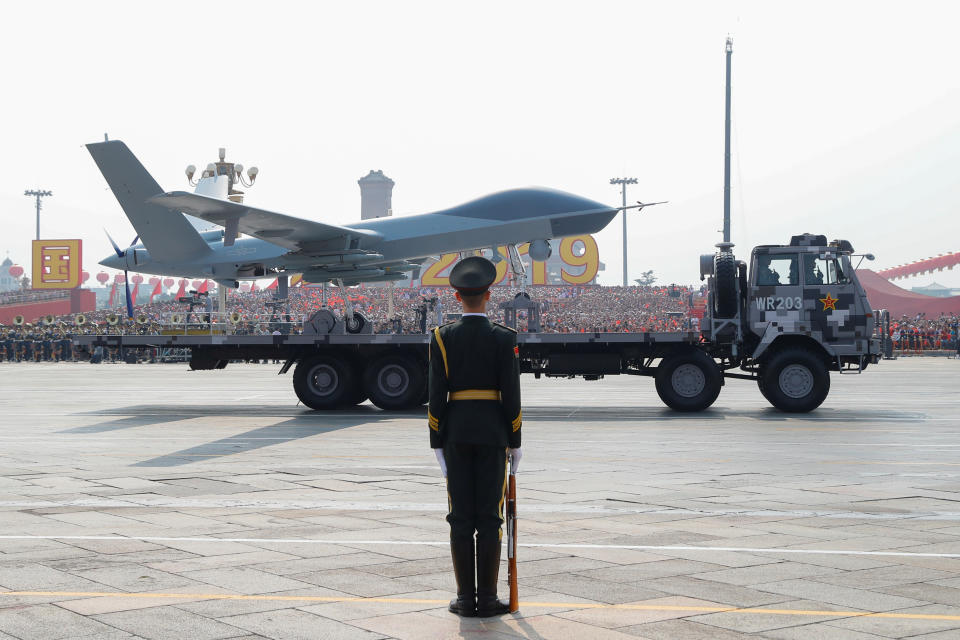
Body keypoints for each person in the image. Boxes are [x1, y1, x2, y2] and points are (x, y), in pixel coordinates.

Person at [429, 256, 522, 618]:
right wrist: (515, 440)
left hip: (455, 434)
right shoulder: (504, 338)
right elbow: (511, 396)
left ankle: (465, 598)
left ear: (457, 297)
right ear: (489, 295)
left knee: (459, 517)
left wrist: (436, 442)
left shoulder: (442, 337)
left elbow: (436, 395)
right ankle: (488, 597)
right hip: (493, 435)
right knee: (490, 517)